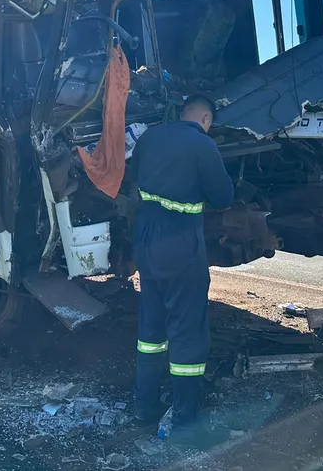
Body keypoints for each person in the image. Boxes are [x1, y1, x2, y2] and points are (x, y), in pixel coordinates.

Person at [129, 94, 234, 446]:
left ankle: (144, 406)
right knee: (187, 329)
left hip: (146, 238)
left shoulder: (149, 137)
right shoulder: (203, 145)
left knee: (151, 325)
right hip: (179, 243)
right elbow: (223, 197)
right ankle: (187, 421)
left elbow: (134, 178)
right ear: (205, 119)